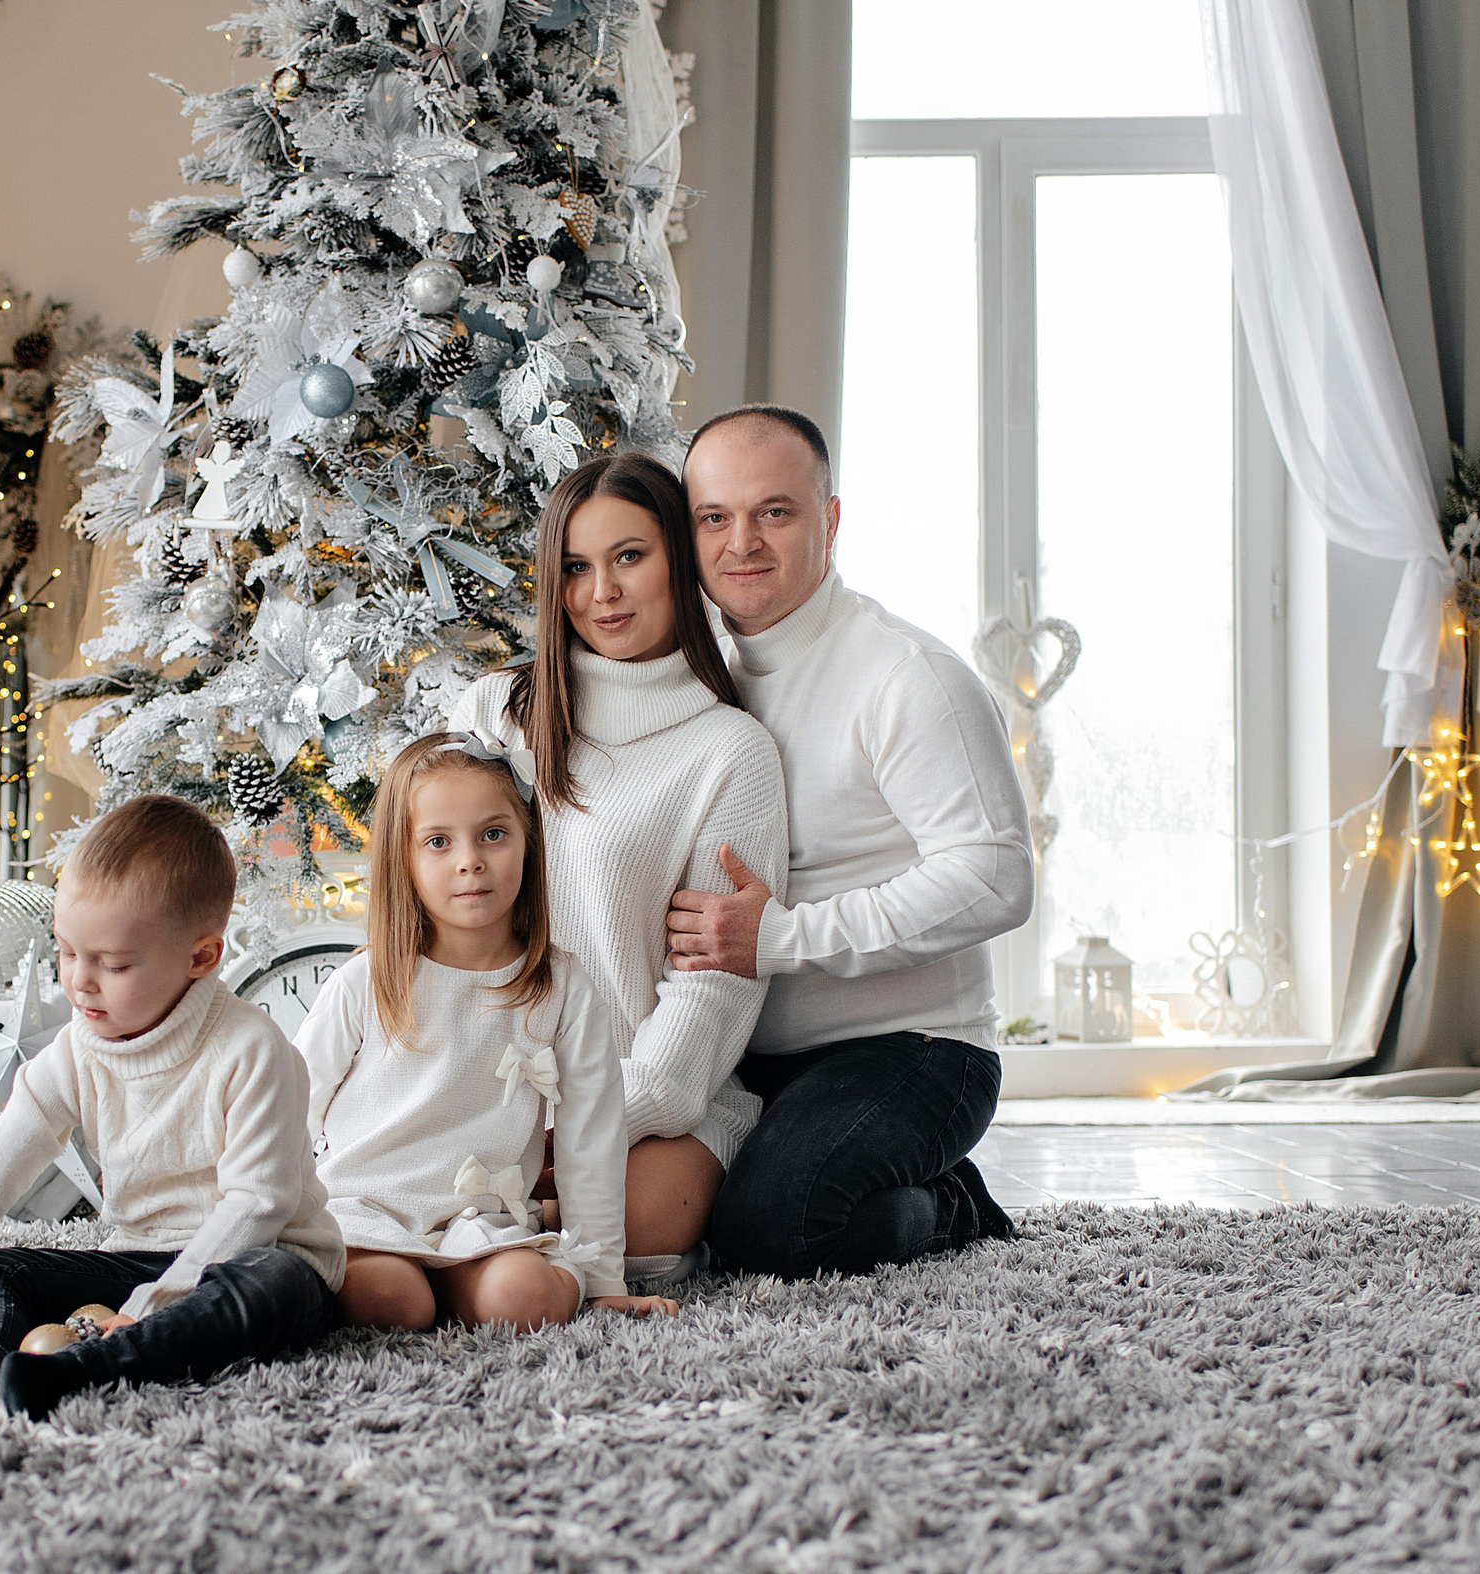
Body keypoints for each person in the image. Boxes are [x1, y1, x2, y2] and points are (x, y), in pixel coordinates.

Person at [0, 795, 347, 1419]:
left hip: (261, 1256)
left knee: (268, 1284)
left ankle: (89, 1370)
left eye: (111, 964)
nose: (78, 981)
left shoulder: (252, 1049)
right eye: (67, 952)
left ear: (201, 958)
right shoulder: (76, 1051)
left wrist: (147, 1308)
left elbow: (257, 1205)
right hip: (140, 1254)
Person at [666, 405, 1033, 1277]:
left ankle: (951, 1203)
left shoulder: (906, 677)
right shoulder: (692, 675)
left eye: (775, 512)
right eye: (714, 517)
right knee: (654, 1221)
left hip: (914, 1051)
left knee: (771, 1230)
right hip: (744, 1053)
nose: (742, 542)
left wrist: (781, 937)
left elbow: (996, 879)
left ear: (829, 520)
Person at [450, 452, 789, 1292]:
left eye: (629, 557)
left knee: (631, 1235)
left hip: (651, 1097)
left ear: (678, 557)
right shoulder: (501, 710)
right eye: (576, 567)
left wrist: (578, 1132)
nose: (601, 591)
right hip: (492, 1085)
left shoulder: (729, 752)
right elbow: (427, 899)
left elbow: (710, 991)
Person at [296, 733, 675, 1331]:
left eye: (493, 834)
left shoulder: (563, 986)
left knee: (525, 1301)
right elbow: (292, 1105)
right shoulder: (367, 980)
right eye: (438, 842)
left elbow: (590, 1141)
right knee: (393, 1303)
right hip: (369, 1210)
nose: (469, 860)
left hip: (482, 1222)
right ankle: (421, 1285)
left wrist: (603, 1280)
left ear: (528, 844)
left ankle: (459, 1282)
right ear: (404, 860)